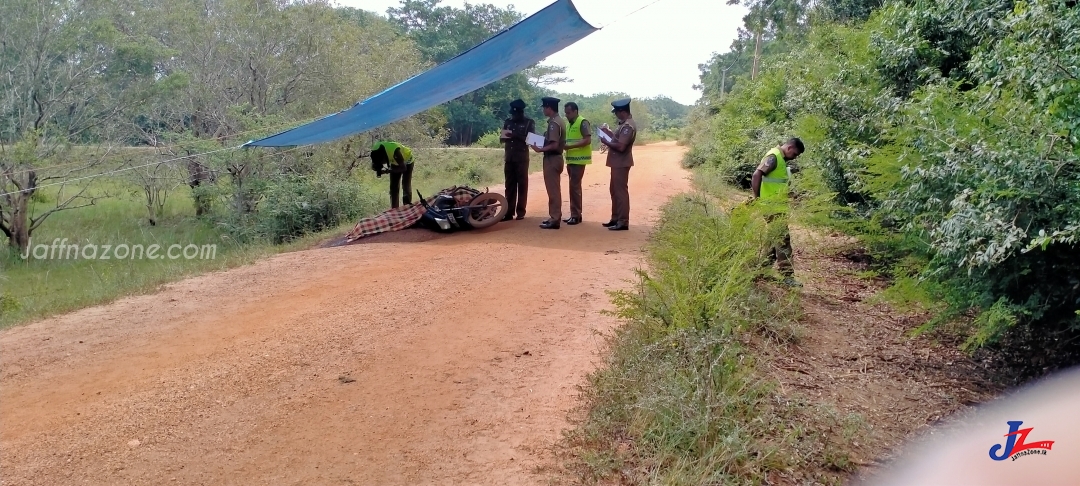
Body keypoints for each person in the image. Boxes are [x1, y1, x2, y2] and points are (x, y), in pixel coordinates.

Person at [750, 137, 805, 286]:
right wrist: (757, 199)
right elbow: (756, 175)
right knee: (782, 240)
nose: (795, 157)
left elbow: (778, 184)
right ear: (789, 148)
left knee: (774, 239)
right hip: (771, 207)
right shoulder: (774, 157)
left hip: (776, 206)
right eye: (795, 154)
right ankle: (787, 277)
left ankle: (761, 271)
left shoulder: (780, 160)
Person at [599, 98, 636, 231]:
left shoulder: (628, 126)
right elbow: (618, 139)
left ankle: (623, 221)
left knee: (620, 192)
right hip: (617, 163)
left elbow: (621, 146)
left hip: (621, 162)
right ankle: (615, 218)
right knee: (614, 191)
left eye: (616, 112)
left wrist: (606, 141)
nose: (615, 115)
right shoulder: (623, 124)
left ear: (622, 112)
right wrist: (608, 134)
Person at [531, 96, 566, 229]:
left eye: (544, 108)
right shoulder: (558, 121)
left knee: (553, 190)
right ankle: (553, 216)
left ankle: (555, 218)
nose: (543, 110)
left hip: (552, 158)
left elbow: (554, 144)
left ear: (548, 108)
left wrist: (540, 149)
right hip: (554, 158)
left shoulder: (554, 123)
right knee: (553, 189)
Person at [500, 99, 535, 221]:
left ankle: (521, 211)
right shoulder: (508, 122)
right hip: (509, 157)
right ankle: (508, 212)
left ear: (520, 112)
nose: (513, 116)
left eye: (515, 114)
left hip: (521, 158)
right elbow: (502, 139)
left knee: (522, 184)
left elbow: (531, 140)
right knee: (509, 185)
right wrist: (504, 136)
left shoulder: (529, 123)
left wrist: (516, 136)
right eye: (512, 114)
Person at [562, 102, 592, 225]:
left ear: (575, 111)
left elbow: (587, 140)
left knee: (574, 187)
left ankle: (576, 215)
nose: (567, 115)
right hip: (571, 160)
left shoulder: (583, 122)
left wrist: (570, 147)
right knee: (573, 187)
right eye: (566, 113)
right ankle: (574, 214)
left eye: (568, 113)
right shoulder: (569, 124)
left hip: (579, 160)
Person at [370, 140, 414, 209]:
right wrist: (377, 168)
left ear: (384, 157)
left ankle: (407, 206)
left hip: (407, 161)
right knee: (393, 187)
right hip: (394, 161)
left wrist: (388, 171)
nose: (383, 163)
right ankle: (395, 209)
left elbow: (403, 168)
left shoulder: (394, 151)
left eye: (383, 162)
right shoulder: (376, 152)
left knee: (405, 185)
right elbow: (374, 164)